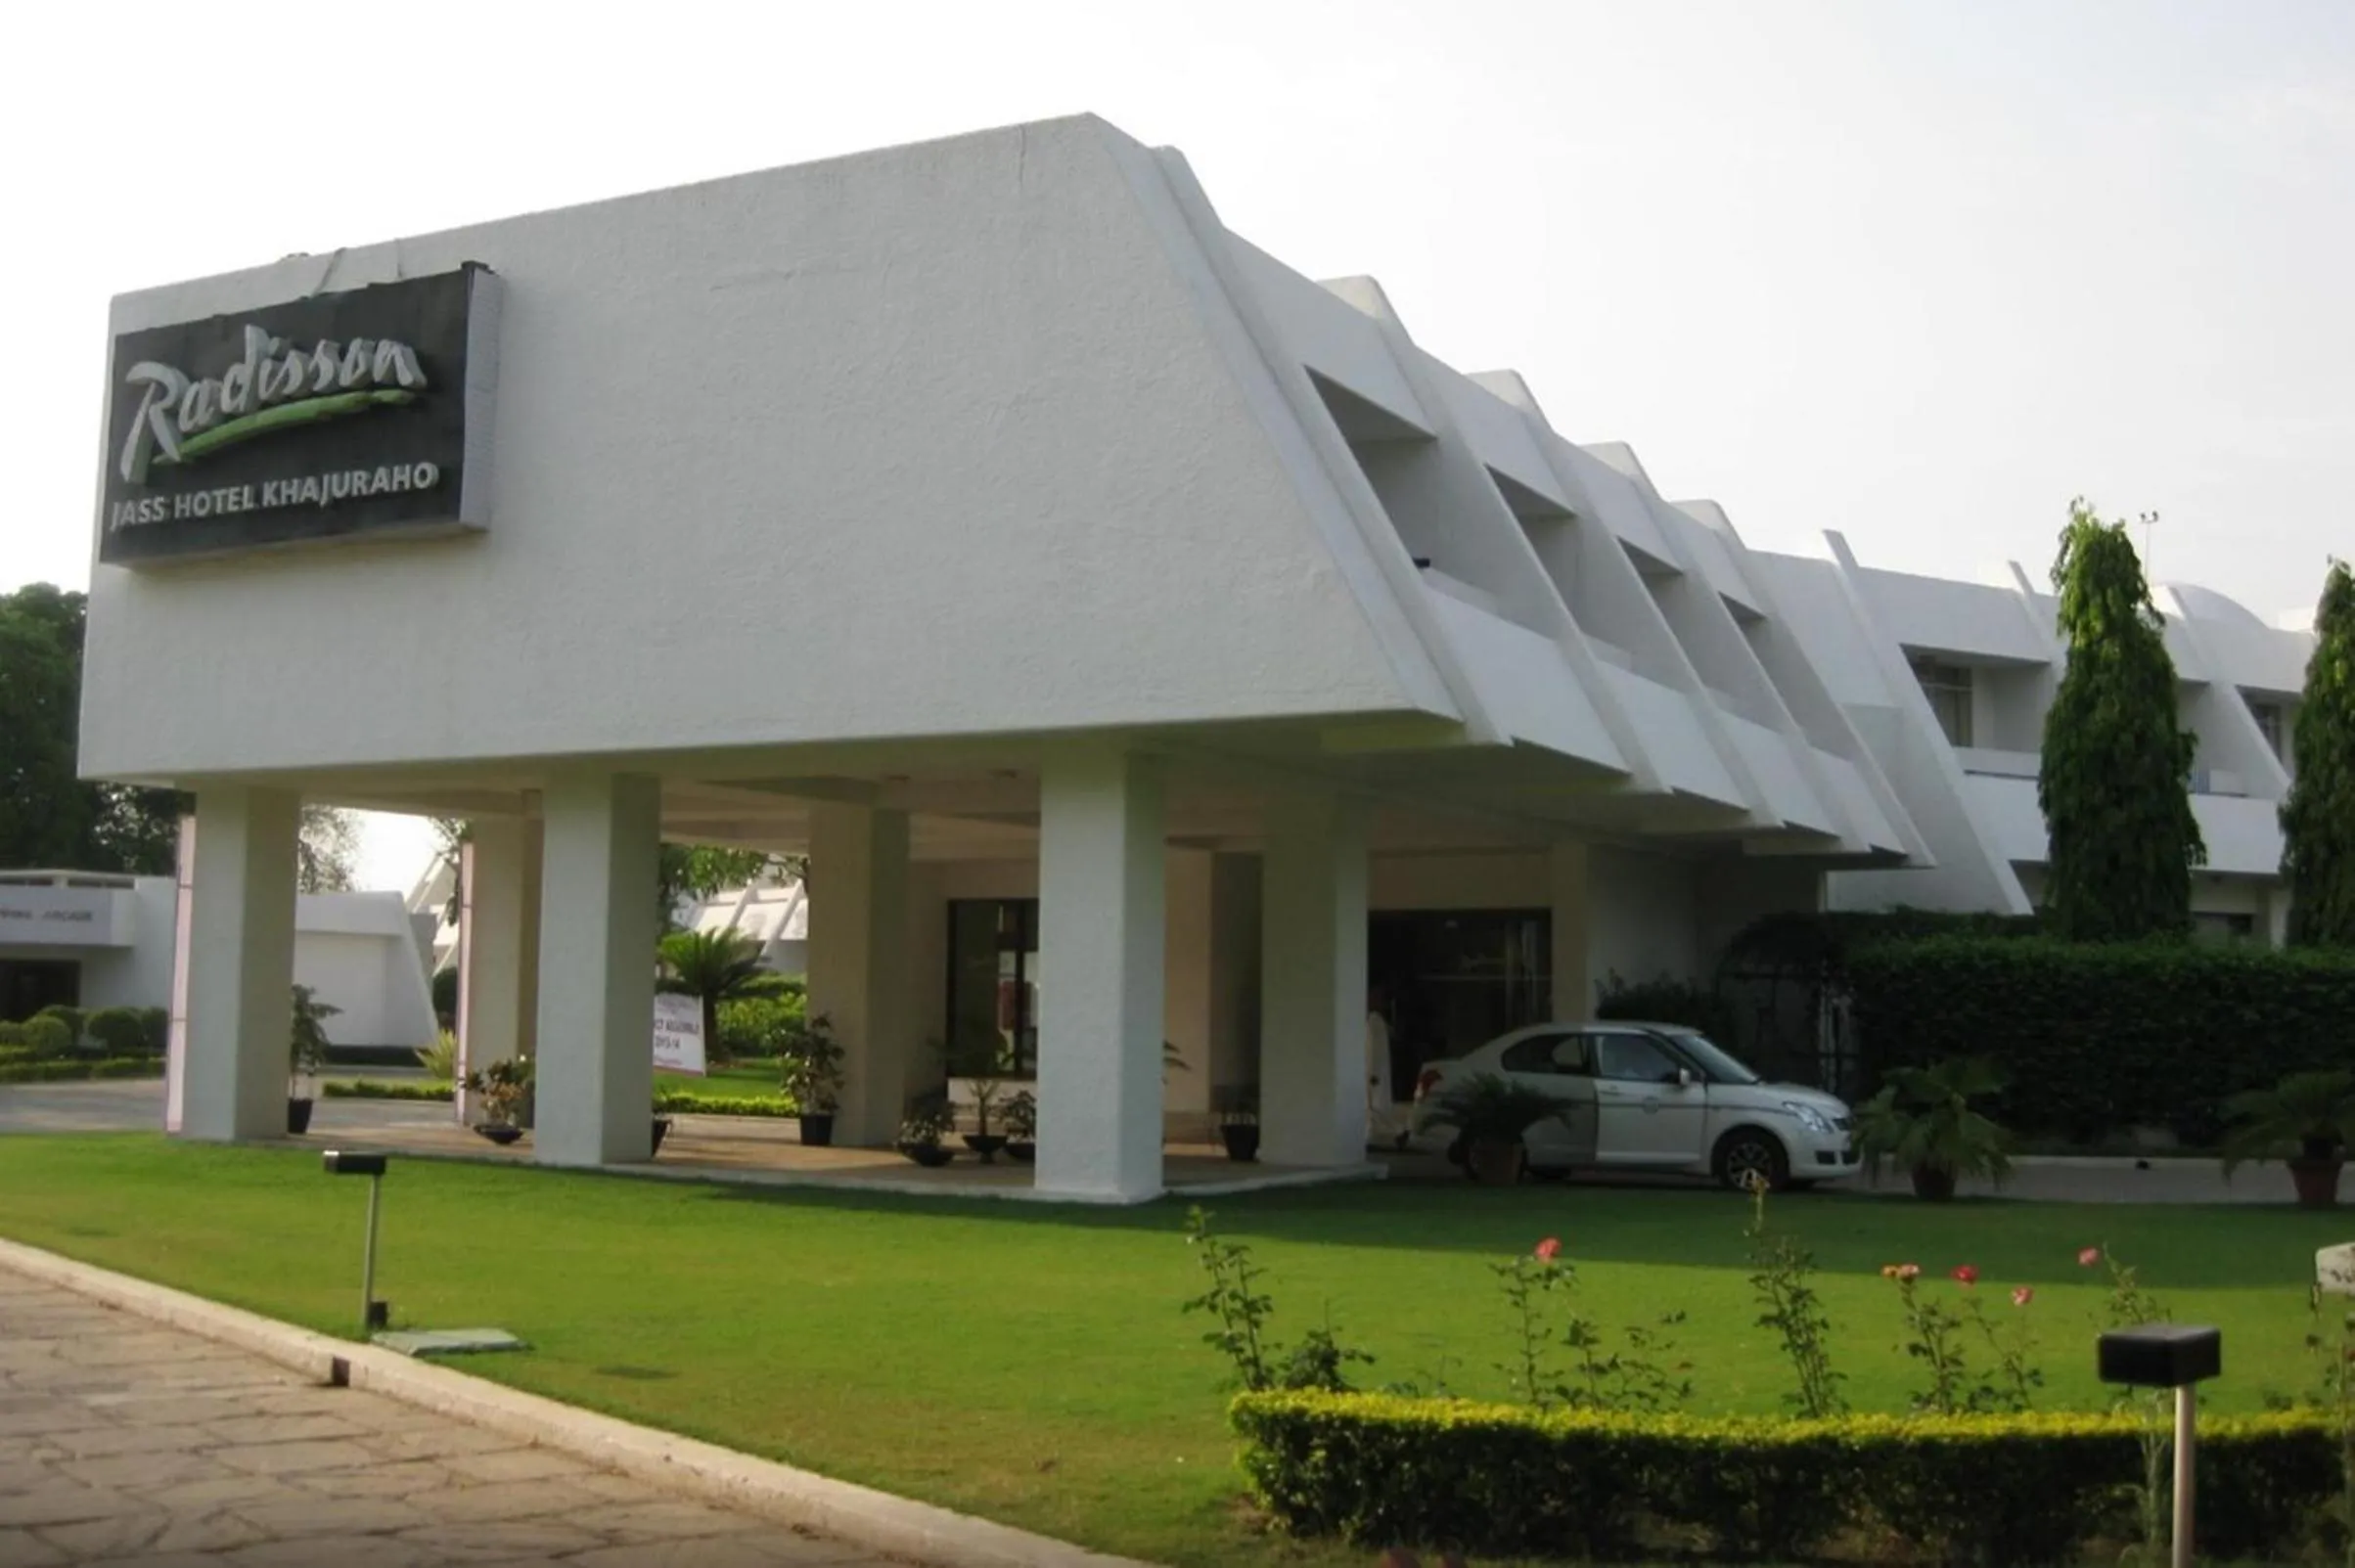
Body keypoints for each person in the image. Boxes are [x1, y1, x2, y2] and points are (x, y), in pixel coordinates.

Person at [1366, 988, 1406, 1149]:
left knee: (1374, 1106)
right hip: (1372, 1070)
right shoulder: (1376, 1021)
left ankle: (1398, 1130)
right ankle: (1369, 1135)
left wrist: (1372, 1072)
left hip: (1372, 1071)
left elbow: (1374, 1050)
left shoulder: (1374, 1021)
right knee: (1371, 1106)